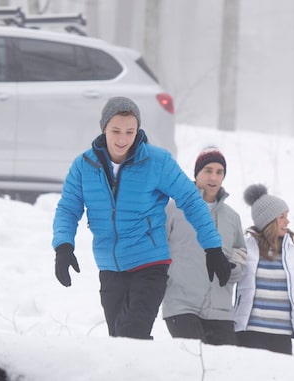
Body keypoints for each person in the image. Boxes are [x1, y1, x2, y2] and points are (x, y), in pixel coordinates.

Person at [51, 96, 233, 340]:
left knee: (132, 334)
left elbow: (190, 200)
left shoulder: (157, 162)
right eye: (116, 130)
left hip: (149, 264)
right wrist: (63, 246)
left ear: (138, 130)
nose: (123, 139)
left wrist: (212, 247)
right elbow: (68, 208)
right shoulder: (84, 165)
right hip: (109, 266)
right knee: (119, 339)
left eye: (130, 131)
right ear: (104, 128)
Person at [162, 147, 246, 345]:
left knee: (224, 371)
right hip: (182, 306)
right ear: (196, 173)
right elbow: (156, 249)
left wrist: (235, 269)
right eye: (208, 170)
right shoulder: (174, 209)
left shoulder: (232, 217)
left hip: (221, 310)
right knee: (192, 367)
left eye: (219, 172)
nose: (214, 177)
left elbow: (240, 253)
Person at [233, 184, 294, 354]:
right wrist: (231, 264)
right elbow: (231, 277)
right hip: (250, 332)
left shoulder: (293, 252)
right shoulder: (246, 248)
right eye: (282, 217)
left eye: (287, 216)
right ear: (268, 221)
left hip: (282, 336)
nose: (287, 221)